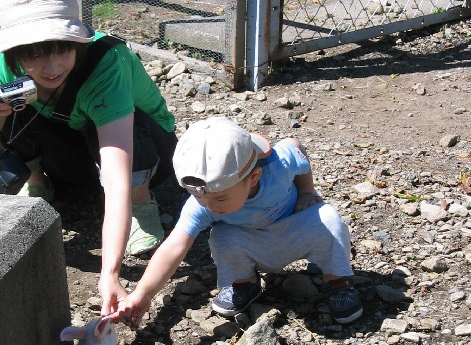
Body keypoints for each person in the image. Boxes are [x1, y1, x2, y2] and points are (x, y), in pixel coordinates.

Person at [0, 0, 177, 314]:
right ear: (14, 51)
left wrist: (110, 272)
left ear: (76, 41)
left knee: (120, 132)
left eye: (61, 49)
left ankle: (143, 204)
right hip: (70, 152)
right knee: (4, 107)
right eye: (33, 55)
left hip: (144, 152)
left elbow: (116, 180)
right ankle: (37, 182)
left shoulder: (107, 63)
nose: (51, 67)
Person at [114, 116, 363, 328]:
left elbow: (295, 147)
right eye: (199, 197)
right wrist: (143, 293)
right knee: (222, 236)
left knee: (329, 218)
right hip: (251, 241)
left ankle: (337, 280)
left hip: (295, 230)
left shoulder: (277, 165)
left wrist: (307, 191)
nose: (210, 206)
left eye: (220, 198)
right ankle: (244, 283)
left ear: (253, 177)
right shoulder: (204, 203)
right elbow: (174, 246)